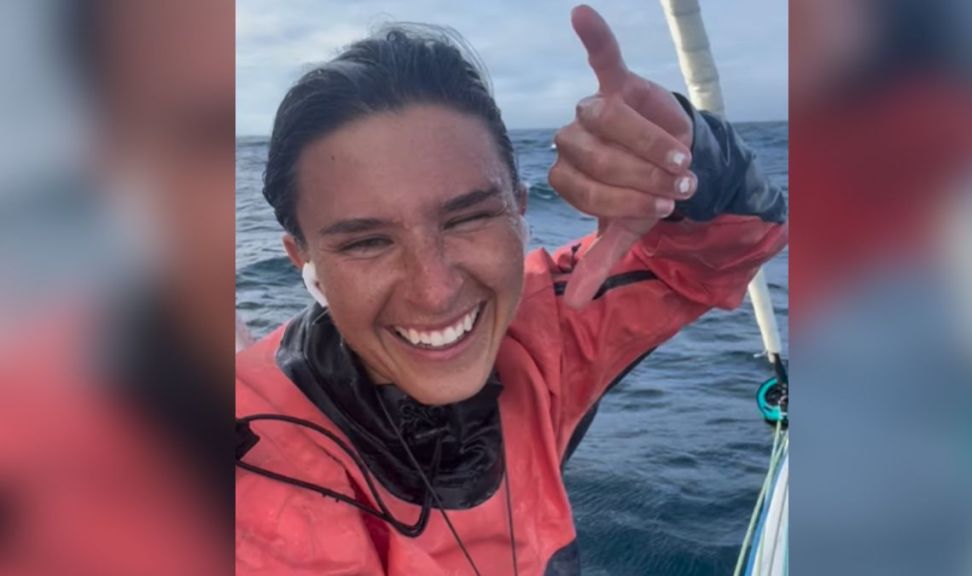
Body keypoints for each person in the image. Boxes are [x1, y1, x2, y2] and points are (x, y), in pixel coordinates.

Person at [235, 5, 787, 575]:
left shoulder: (543, 331)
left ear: (518, 212)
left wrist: (693, 162)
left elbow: (731, 247)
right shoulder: (244, 464)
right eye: (366, 243)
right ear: (305, 261)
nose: (435, 292)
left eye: (467, 219)